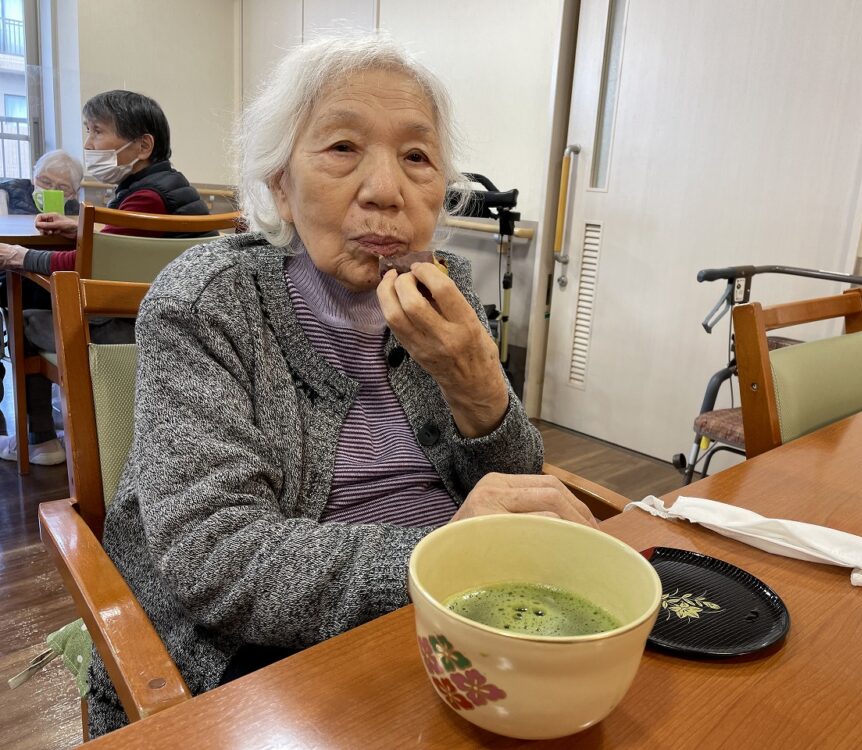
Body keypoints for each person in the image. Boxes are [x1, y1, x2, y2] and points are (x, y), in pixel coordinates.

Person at [85, 35, 595, 736]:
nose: (387, 190)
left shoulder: (446, 293)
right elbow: (215, 558)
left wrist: (480, 388)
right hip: (267, 662)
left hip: (461, 624)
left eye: (417, 157)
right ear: (280, 185)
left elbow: (511, 490)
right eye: (342, 148)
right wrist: (440, 559)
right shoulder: (210, 302)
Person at [0, 91, 211, 465]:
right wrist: (79, 228)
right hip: (160, 321)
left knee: (24, 309)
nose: (87, 144)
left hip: (124, 328)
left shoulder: (146, 198)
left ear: (143, 145)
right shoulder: (167, 187)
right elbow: (123, 244)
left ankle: (42, 439)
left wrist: (21, 255)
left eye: (97, 132)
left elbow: (90, 265)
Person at [0, 149, 84, 216]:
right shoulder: (5, 195)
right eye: (45, 182)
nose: (52, 190)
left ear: (74, 193)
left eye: (62, 188)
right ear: (33, 178)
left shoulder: (76, 211)